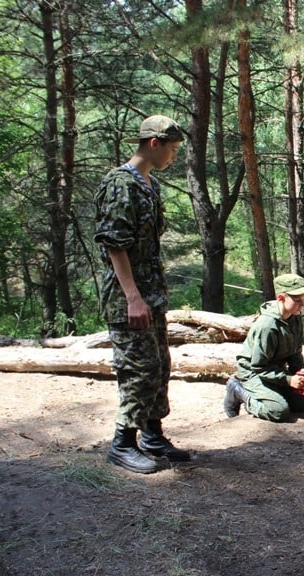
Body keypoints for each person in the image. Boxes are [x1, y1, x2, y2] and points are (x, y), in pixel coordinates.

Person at [94, 114, 190, 474]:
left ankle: (152, 434)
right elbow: (114, 246)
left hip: (151, 293)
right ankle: (122, 443)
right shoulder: (121, 185)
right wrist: (133, 297)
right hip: (127, 298)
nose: (174, 156)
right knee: (138, 369)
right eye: (173, 149)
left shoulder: (149, 184)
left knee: (159, 366)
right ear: (154, 144)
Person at [223, 273, 304, 422]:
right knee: (278, 411)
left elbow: (295, 353)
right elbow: (259, 367)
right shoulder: (267, 326)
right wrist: (289, 380)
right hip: (253, 372)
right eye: (297, 300)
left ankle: (272, 392)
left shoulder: (295, 318)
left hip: (274, 370)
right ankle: (237, 389)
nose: (302, 305)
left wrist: (299, 372)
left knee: (301, 404)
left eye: (303, 299)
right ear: (281, 298)